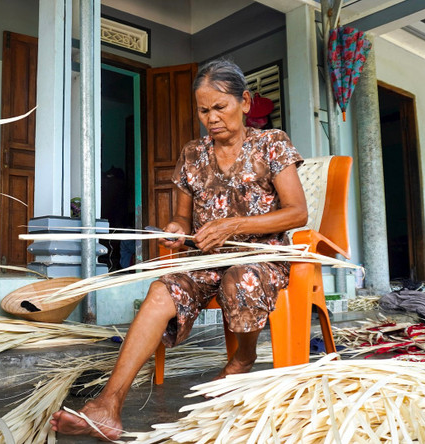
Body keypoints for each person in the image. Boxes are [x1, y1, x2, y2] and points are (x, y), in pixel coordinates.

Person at [50, 58, 308, 440]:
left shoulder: (272, 144)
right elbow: (183, 221)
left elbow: (297, 213)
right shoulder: (192, 154)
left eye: (220, 107)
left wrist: (234, 226)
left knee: (241, 278)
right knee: (160, 291)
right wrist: (176, 230)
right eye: (204, 110)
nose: (212, 118)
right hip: (205, 257)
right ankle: (108, 405)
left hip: (259, 257)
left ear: (246, 102)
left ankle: (244, 356)